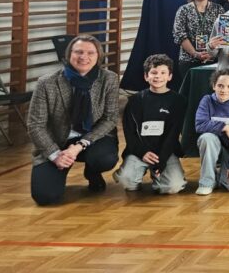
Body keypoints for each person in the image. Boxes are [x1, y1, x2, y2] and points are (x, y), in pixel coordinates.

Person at [28, 35, 120, 205]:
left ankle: (92, 172)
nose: (84, 57)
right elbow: (35, 125)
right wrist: (55, 155)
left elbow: (110, 118)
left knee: (104, 159)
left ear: (98, 57)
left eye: (90, 53)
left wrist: (79, 146)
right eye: (78, 52)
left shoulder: (109, 79)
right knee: (46, 197)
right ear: (69, 54)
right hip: (58, 142)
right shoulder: (46, 83)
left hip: (93, 138)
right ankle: (59, 169)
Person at [114, 54, 187, 194]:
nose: (158, 76)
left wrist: (162, 159)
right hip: (140, 151)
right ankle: (124, 172)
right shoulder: (135, 100)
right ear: (146, 76)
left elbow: (173, 134)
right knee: (128, 183)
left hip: (166, 151)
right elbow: (129, 133)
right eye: (153, 72)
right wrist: (143, 153)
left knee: (171, 187)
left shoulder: (178, 101)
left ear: (170, 76)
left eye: (163, 73)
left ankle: (160, 175)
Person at [194, 68, 229, 195]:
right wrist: (225, 127)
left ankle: (223, 174)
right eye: (220, 85)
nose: (224, 90)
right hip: (212, 146)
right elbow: (200, 124)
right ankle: (207, 182)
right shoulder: (207, 100)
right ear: (214, 86)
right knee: (206, 138)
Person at [172, 0, 224, 90]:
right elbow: (179, 35)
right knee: (191, 91)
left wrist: (211, 53)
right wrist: (195, 54)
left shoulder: (219, 9)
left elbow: (223, 35)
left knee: (211, 91)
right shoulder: (183, 10)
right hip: (188, 60)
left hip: (213, 59)